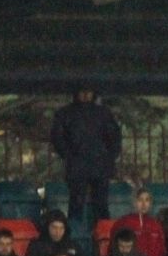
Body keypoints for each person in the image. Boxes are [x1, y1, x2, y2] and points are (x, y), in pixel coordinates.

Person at [49, 88, 121, 221]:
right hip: (77, 166)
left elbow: (114, 137)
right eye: (82, 91)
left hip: (99, 165)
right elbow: (57, 138)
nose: (86, 95)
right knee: (76, 203)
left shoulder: (103, 113)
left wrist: (108, 158)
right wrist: (69, 156)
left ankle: (103, 234)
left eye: (89, 91)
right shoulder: (65, 113)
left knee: (101, 205)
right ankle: (75, 233)